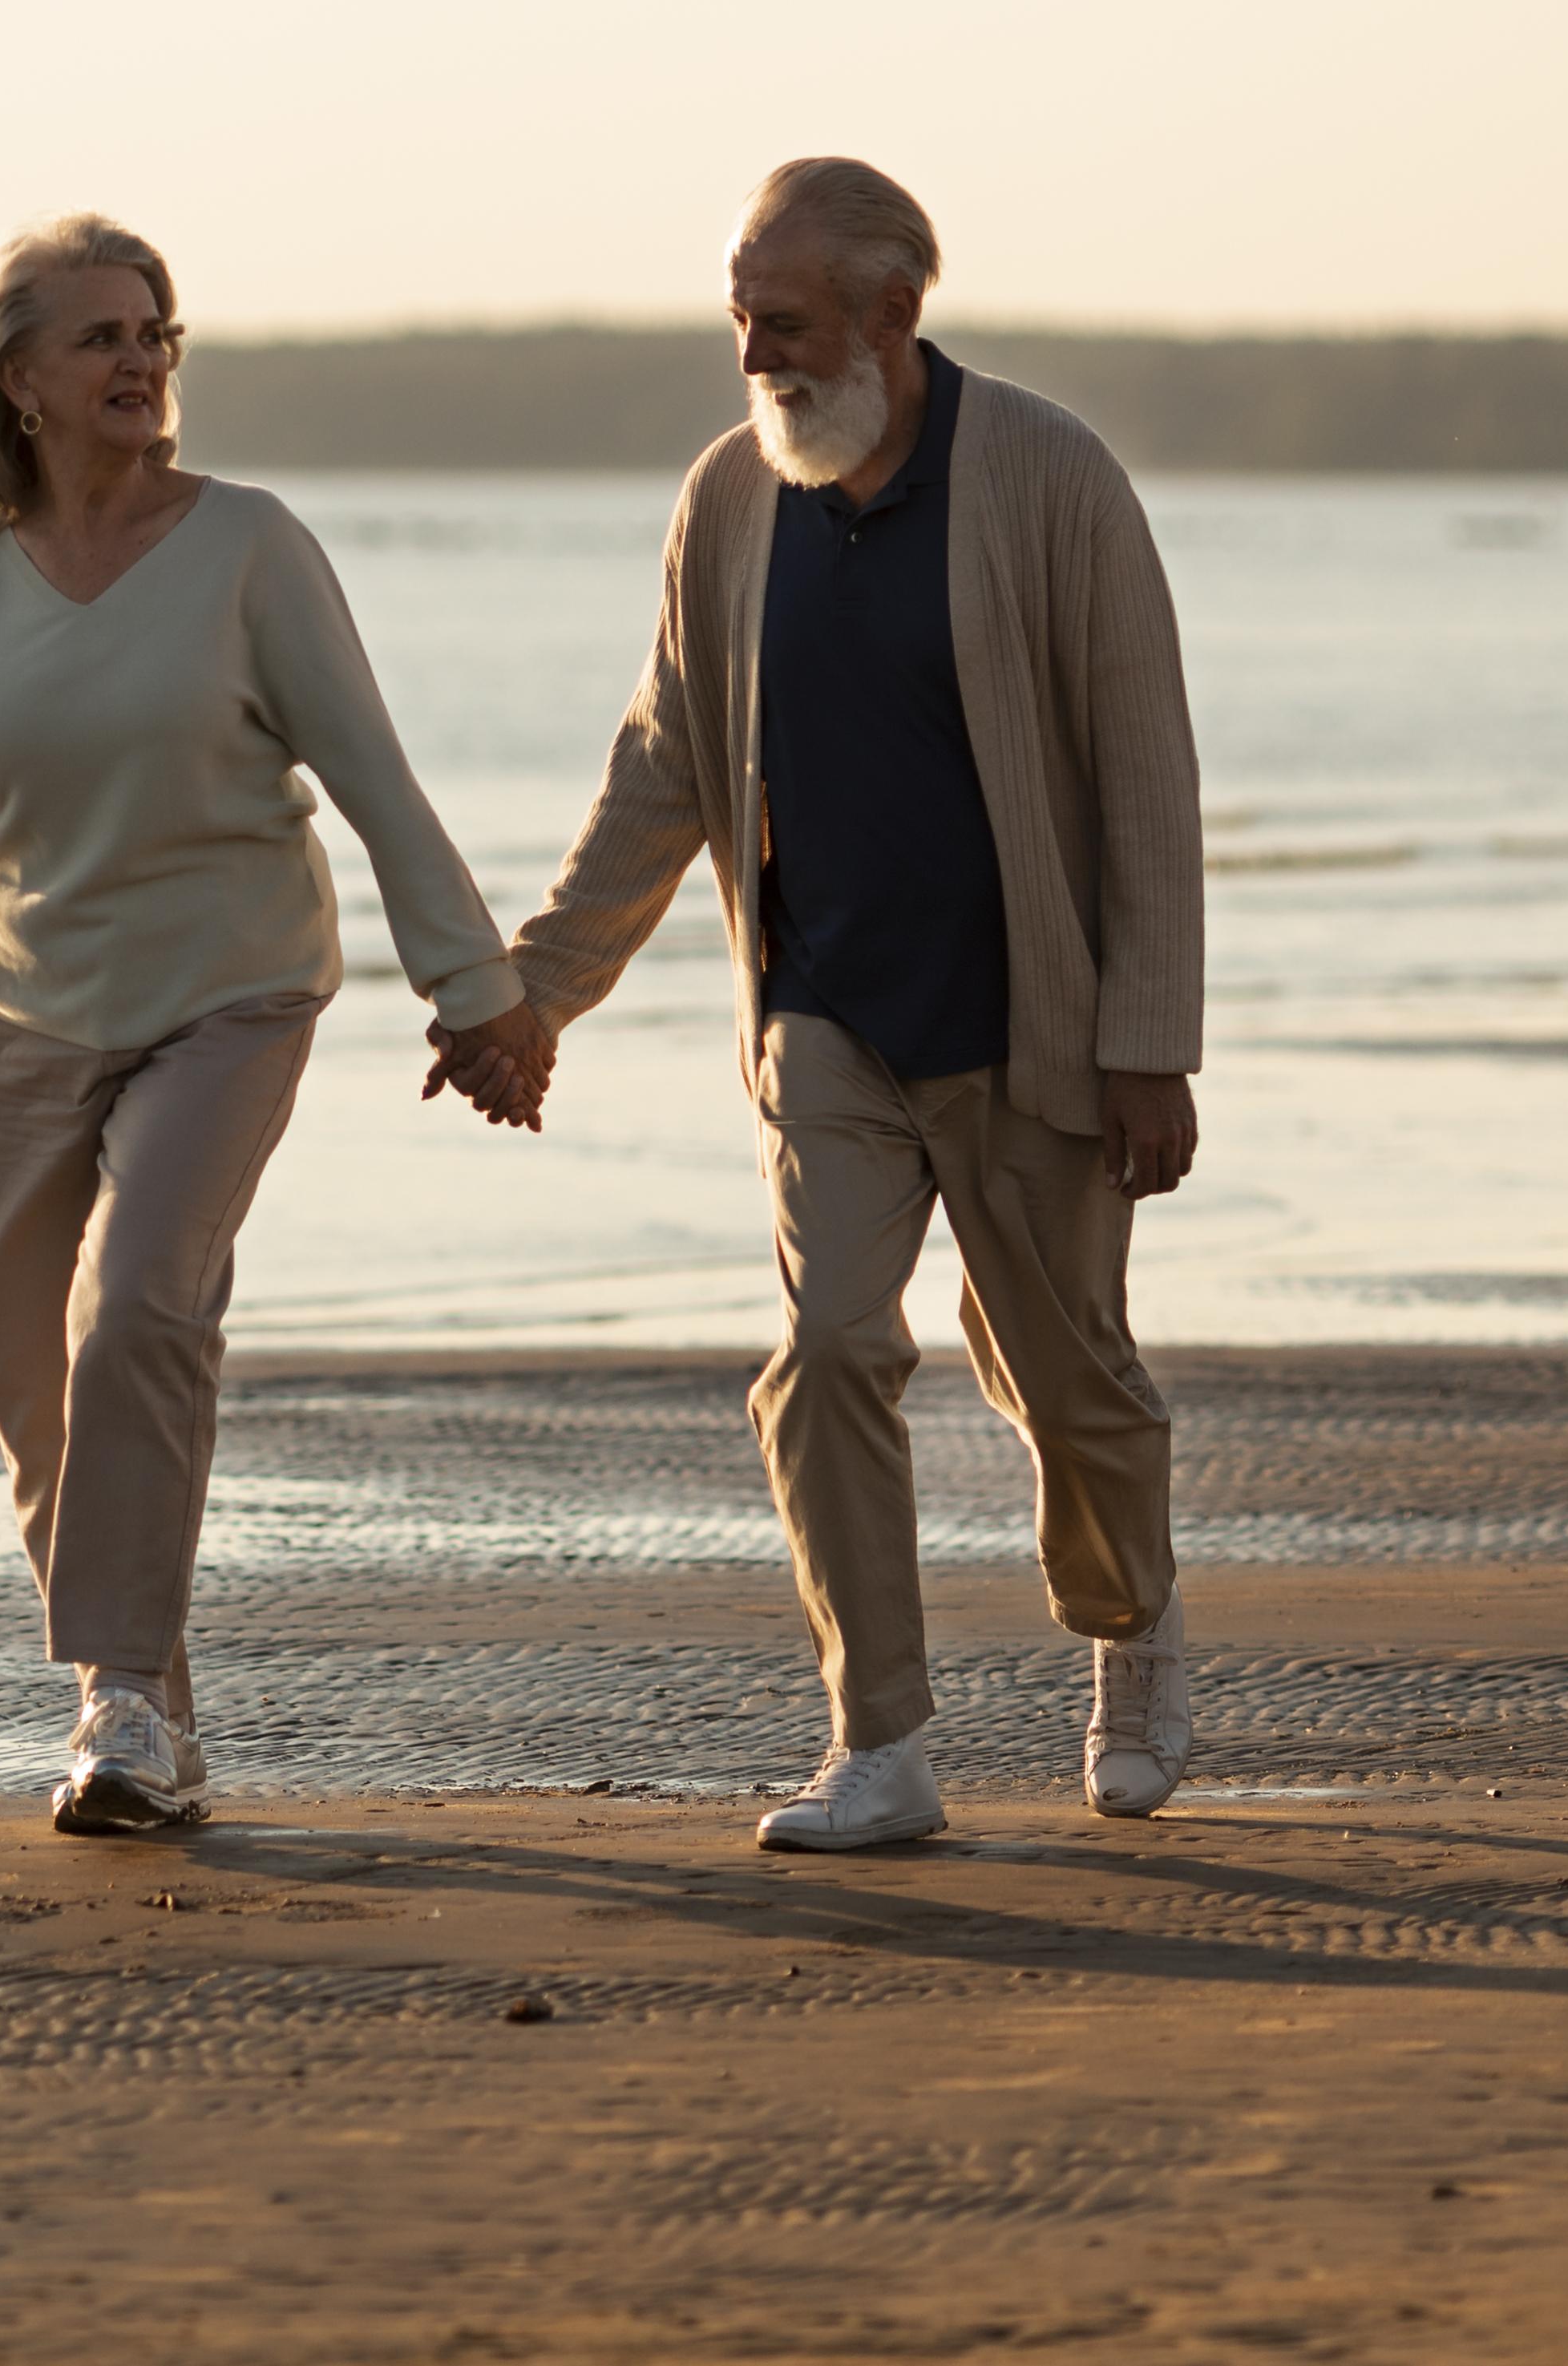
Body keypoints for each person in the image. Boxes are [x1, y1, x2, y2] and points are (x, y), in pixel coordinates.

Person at [0, 215, 546, 1836]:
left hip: (228, 991)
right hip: (23, 1009)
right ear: (16, 377)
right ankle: (149, 1699)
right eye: (100, 336)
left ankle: (115, 1709)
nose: (140, 360)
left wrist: (475, 990)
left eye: (156, 332)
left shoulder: (249, 546)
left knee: (141, 1309)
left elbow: (373, 776)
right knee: (35, 1381)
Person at [442, 158, 1203, 1847]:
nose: (748, 354)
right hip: (826, 1018)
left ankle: (1129, 1630)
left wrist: (1151, 1040)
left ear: (891, 313)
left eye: (777, 320)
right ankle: (881, 1742)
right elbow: (663, 765)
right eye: (737, 315)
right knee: (826, 1352)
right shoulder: (731, 498)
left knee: (1065, 1380)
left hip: (1033, 1025)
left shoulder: (1051, 477)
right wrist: (537, 991)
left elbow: (1143, 769)